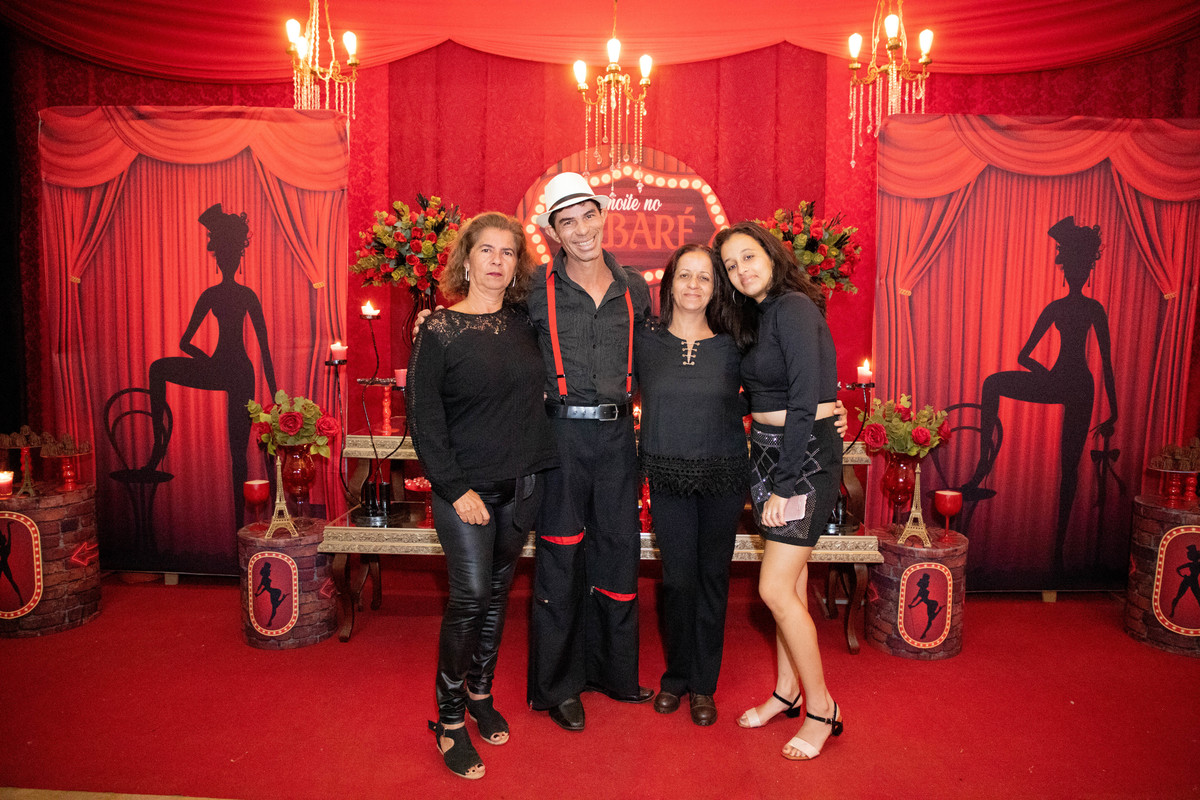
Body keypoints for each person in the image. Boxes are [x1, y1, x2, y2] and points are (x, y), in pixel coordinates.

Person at [407, 212, 558, 779]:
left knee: (496, 595)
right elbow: (424, 418)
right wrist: (454, 488)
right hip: (464, 490)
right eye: (486, 250)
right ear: (466, 259)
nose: (497, 260)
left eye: (508, 252)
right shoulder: (438, 330)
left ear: (517, 264)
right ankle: (448, 722)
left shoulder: (527, 323)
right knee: (470, 596)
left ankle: (479, 694)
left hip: (522, 485)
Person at [525, 172, 654, 731]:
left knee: (619, 549)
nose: (581, 230)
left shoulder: (636, 289)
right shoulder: (533, 288)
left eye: (588, 216)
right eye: (567, 221)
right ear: (554, 232)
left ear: (603, 216)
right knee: (560, 555)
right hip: (560, 437)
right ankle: (558, 686)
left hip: (619, 437)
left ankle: (615, 673)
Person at [714, 221, 843, 761]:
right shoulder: (759, 314)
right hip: (767, 454)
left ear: (771, 254)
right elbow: (764, 394)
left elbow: (805, 399)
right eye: (731, 265)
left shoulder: (792, 307)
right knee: (791, 586)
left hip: (803, 459)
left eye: (748, 257)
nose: (740, 270)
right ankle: (786, 692)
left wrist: (784, 485)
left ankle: (822, 708)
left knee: (772, 589)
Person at [960, 216, 1117, 574]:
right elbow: (1024, 355)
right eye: (1072, 266)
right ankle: (982, 465)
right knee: (992, 383)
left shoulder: (1093, 309)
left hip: (1080, 386)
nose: (1076, 274)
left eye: (1081, 267)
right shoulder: (1056, 308)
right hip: (1058, 379)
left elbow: (1107, 362)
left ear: (1087, 269)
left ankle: (1058, 551)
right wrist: (1044, 374)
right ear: (1066, 269)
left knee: (1069, 466)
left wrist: (1114, 411)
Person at [636, 244, 747, 727]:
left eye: (705, 277)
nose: (694, 285)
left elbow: (768, 392)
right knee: (678, 580)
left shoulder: (734, 343)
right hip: (667, 477)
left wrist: (828, 410)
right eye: (685, 275)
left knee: (712, 580)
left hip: (724, 475)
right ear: (669, 283)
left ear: (716, 287)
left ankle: (703, 685)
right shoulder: (645, 340)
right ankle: (676, 676)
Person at [147, 203, 277, 529]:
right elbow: (185, 342)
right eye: (224, 255)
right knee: (157, 368)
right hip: (224, 368)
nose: (227, 260)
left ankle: (240, 530)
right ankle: (158, 444)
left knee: (238, 454)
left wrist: (277, 398)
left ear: (232, 258)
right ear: (222, 258)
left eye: (229, 255)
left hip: (238, 372)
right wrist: (207, 361)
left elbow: (264, 348)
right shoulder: (217, 295)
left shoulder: (243, 295)